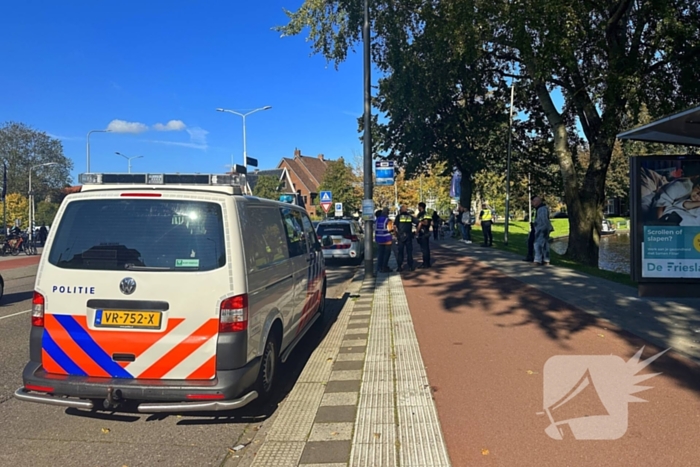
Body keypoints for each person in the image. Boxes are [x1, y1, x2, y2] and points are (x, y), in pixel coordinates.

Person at [394, 204, 416, 271]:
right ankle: (411, 266)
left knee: (400, 252)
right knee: (409, 252)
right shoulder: (409, 216)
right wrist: (416, 232)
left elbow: (394, 226)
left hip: (401, 236)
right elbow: (418, 222)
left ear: (400, 210)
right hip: (408, 236)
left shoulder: (398, 217)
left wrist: (396, 234)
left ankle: (400, 266)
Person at [532, 196, 553, 266]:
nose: (532, 203)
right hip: (543, 228)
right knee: (545, 244)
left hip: (541, 229)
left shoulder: (541, 209)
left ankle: (537, 260)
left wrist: (545, 227)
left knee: (537, 244)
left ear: (538, 201)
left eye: (534, 201)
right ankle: (546, 260)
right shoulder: (541, 208)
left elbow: (544, 220)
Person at [374, 209, 393, 273]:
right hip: (386, 239)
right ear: (387, 213)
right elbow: (390, 229)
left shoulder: (376, 220)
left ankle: (379, 267)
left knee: (380, 254)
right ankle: (384, 267)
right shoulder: (388, 220)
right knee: (387, 254)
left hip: (379, 239)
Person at [416, 202, 431, 268]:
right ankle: (427, 263)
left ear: (421, 207)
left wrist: (417, 229)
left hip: (423, 233)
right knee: (426, 249)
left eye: (418, 207)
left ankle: (425, 264)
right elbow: (431, 223)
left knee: (424, 249)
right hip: (426, 232)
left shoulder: (422, 214)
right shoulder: (428, 213)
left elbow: (425, 223)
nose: (418, 208)